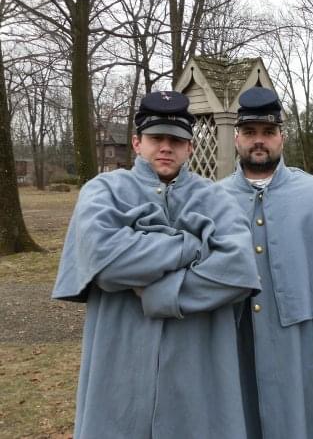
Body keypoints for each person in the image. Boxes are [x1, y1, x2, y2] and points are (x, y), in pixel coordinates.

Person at [52, 91, 261, 438]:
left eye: (176, 140)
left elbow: (238, 270)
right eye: (156, 138)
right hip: (120, 358)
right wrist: (189, 245)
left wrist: (159, 292)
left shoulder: (217, 199)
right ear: (137, 143)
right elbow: (104, 258)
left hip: (198, 362)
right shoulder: (103, 191)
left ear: (189, 147)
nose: (166, 147)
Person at [219, 86, 313, 439]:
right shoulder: (212, 201)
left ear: (282, 137)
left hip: (302, 353)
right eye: (250, 132)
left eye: (268, 132)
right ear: (236, 138)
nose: (259, 140)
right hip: (231, 350)